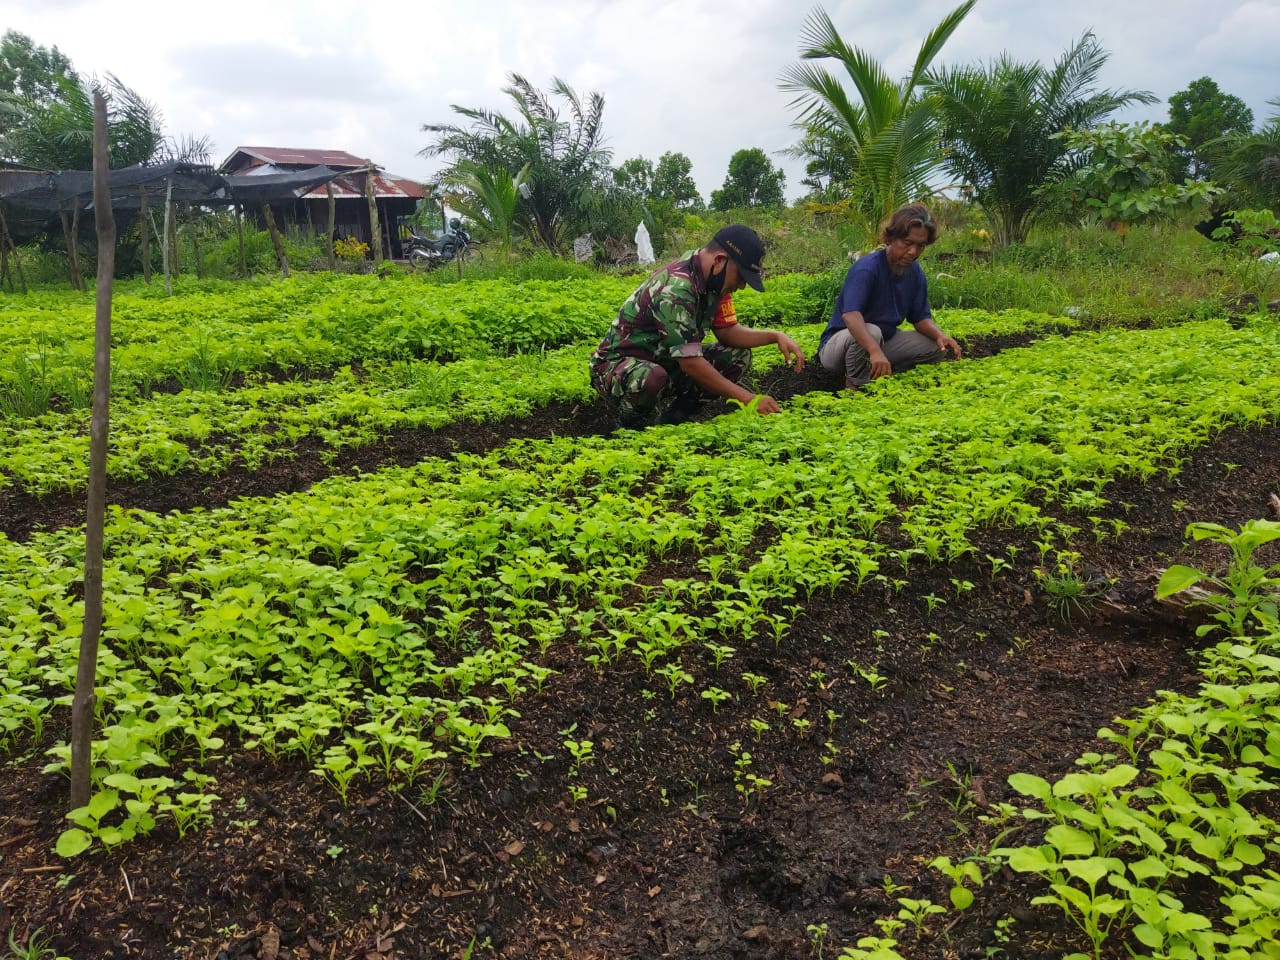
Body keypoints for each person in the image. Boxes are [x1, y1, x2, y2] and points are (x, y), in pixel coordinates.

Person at [589, 224, 805, 429]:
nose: (741, 286)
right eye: (740, 276)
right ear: (720, 260)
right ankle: (630, 427)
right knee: (652, 376)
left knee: (737, 356)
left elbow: (727, 333)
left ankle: (674, 420)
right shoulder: (676, 289)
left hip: (665, 362)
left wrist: (775, 335)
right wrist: (749, 399)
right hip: (618, 368)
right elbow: (690, 363)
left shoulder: (713, 282)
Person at [818, 204, 962, 390]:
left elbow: (920, 318)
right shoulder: (867, 268)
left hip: (881, 342)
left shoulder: (915, 272)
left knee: (936, 346)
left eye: (920, 246)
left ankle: (878, 367)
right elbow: (850, 316)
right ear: (891, 238)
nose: (913, 252)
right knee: (872, 331)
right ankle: (855, 387)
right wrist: (874, 350)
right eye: (907, 243)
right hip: (837, 347)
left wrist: (941, 336)